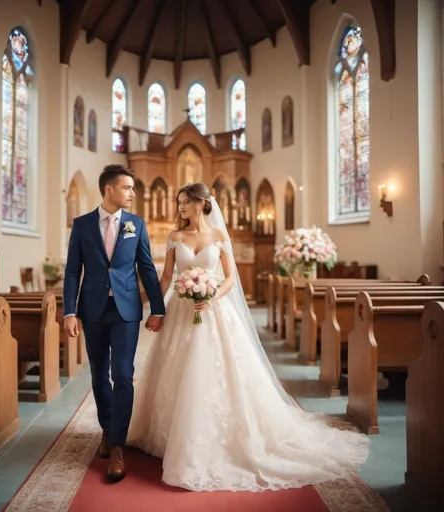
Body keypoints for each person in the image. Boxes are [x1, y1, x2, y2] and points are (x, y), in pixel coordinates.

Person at [126, 182, 369, 492]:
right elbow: (166, 277)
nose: (181, 208)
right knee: (173, 370)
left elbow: (230, 278)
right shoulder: (174, 238)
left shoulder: (219, 236)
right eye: (179, 203)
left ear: (203, 203)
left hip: (213, 311)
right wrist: (156, 310)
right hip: (181, 312)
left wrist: (211, 295)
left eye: (186, 202)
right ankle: (167, 433)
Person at [63, 164, 165, 483]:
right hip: (92, 310)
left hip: (126, 311)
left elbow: (147, 268)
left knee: (122, 374)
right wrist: (68, 312)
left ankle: (117, 446)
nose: (133, 193)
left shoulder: (136, 224)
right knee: (98, 375)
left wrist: (158, 309)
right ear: (109, 189)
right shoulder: (81, 226)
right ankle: (107, 428)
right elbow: (71, 272)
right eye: (127, 188)